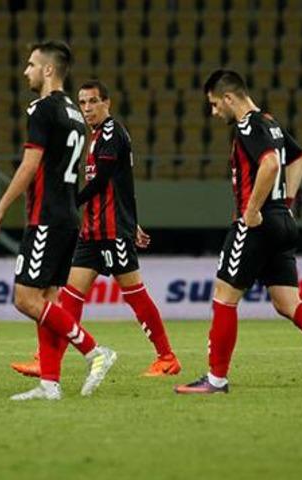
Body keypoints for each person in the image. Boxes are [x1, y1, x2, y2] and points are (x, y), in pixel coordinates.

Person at [175, 70, 302, 394]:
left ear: (229, 98)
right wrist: (285, 201)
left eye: (215, 104)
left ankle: (216, 380)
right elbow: (299, 158)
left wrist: (251, 210)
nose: (214, 111)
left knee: (224, 296)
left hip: (257, 223)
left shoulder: (248, 125)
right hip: (281, 220)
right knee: (288, 302)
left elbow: (272, 163)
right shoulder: (270, 122)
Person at [11, 80, 181, 380]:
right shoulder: (94, 137)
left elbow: (103, 181)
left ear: (107, 103)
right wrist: (134, 220)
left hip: (112, 231)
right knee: (71, 297)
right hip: (92, 231)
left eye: (93, 102)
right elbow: (120, 185)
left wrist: (70, 202)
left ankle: (166, 357)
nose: (87, 108)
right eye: (83, 103)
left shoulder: (113, 133)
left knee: (135, 294)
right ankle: (48, 361)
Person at [0, 41, 117, 401]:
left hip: (45, 217)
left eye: (30, 65)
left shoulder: (42, 109)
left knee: (25, 299)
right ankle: (50, 383)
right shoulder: (76, 112)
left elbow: (30, 166)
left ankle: (95, 351)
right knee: (48, 301)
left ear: (48, 70)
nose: (25, 71)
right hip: (67, 217)